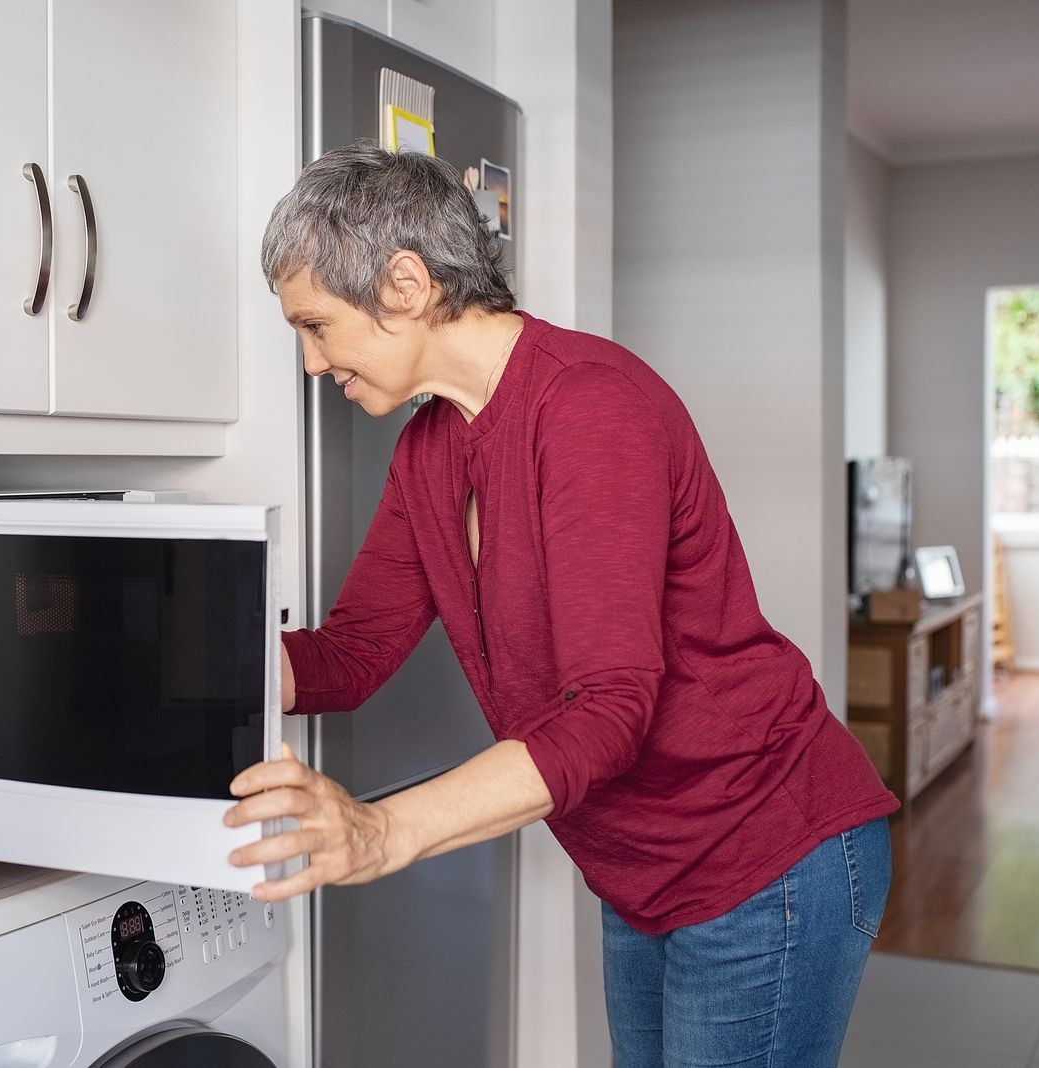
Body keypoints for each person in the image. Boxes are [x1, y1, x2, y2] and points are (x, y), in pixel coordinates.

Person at [224, 140, 899, 1068]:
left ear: (407, 283)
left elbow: (611, 711)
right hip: (642, 868)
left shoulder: (589, 409)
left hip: (765, 851)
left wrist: (384, 830)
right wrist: (187, 662)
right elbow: (351, 654)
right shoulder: (430, 448)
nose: (310, 362)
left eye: (315, 326)